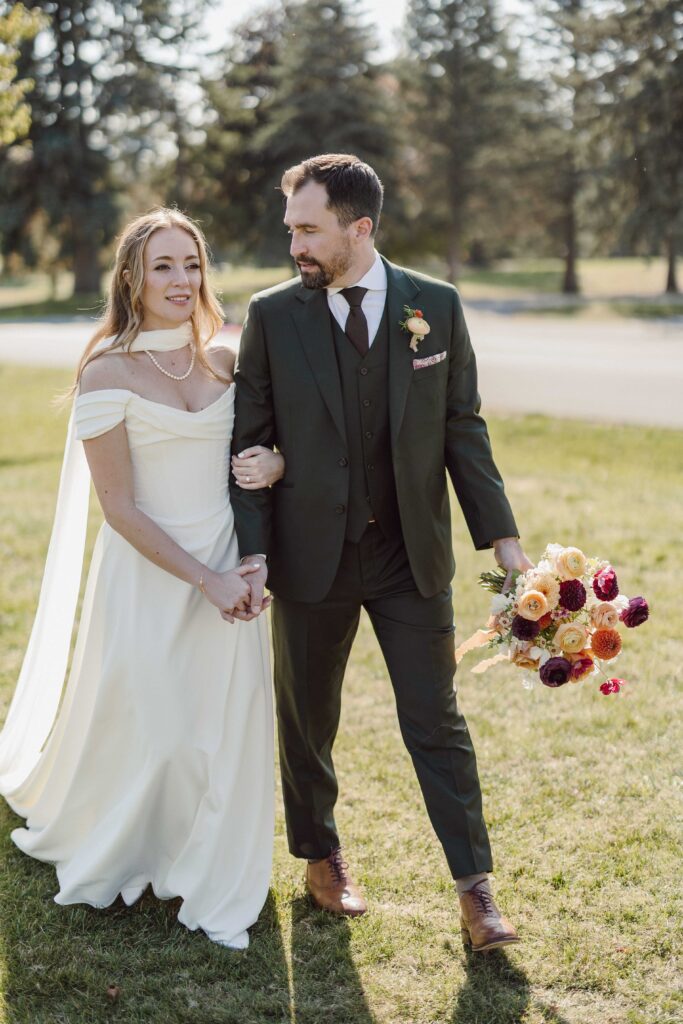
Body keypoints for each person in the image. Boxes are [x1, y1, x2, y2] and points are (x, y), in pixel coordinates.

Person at [230, 154, 534, 954]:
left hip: (410, 557)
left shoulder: (433, 305)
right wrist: (252, 556)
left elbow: (462, 428)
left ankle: (476, 892)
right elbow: (250, 440)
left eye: (307, 228)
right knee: (308, 720)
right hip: (308, 556)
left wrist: (503, 542)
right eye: (290, 226)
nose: (292, 241)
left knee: (435, 719)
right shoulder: (272, 314)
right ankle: (320, 855)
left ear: (358, 229)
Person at [0, 208, 284, 949]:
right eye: (163, 265)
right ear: (131, 277)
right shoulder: (106, 372)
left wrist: (258, 525)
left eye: (190, 263)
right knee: (158, 729)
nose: (182, 280)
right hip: (155, 573)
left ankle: (209, 856)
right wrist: (204, 581)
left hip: (230, 564)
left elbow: (263, 461)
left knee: (222, 730)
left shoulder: (225, 362)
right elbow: (119, 508)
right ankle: (131, 845)